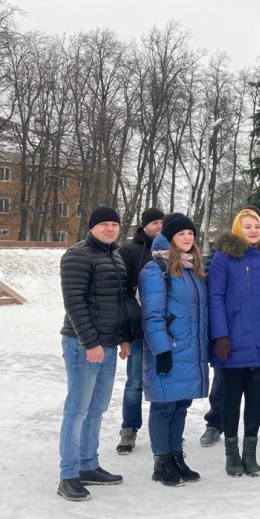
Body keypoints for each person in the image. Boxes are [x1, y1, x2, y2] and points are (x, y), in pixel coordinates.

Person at [57, 206, 131, 501]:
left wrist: (124, 337)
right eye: (104, 224)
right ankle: (68, 474)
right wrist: (90, 342)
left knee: (97, 408)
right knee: (77, 410)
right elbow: (74, 302)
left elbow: (123, 302)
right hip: (82, 345)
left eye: (114, 224)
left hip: (110, 345)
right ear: (92, 227)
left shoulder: (116, 257)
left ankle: (88, 464)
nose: (110, 229)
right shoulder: (77, 255)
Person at [207, 209, 260, 477]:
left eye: (257, 226)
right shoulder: (223, 258)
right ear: (237, 229)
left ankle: (249, 455)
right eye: (248, 226)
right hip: (232, 340)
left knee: (256, 398)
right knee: (231, 398)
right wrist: (220, 335)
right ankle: (232, 455)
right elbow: (215, 297)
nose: (254, 230)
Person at [139, 213, 209, 486]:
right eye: (181, 234)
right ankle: (161, 462)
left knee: (180, 404)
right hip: (169, 349)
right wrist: (162, 350)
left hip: (190, 349)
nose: (187, 238)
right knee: (163, 406)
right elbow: (152, 315)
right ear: (169, 238)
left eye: (190, 234)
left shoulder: (193, 268)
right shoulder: (156, 269)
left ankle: (176, 456)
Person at [116, 207, 164, 454]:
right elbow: (122, 294)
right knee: (135, 382)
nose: (159, 226)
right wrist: (126, 330)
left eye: (162, 223)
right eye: (154, 222)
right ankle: (129, 428)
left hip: (164, 331)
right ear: (144, 225)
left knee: (164, 379)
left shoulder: (171, 252)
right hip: (137, 329)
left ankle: (165, 426)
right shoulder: (128, 252)